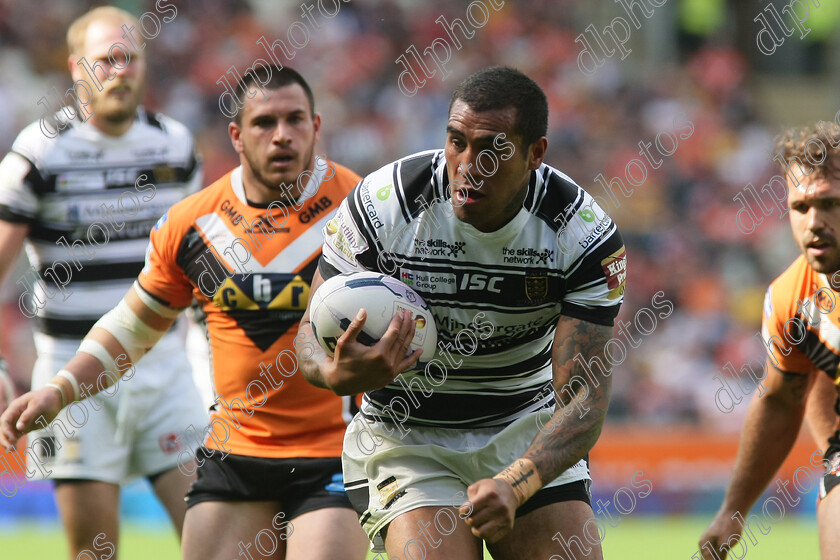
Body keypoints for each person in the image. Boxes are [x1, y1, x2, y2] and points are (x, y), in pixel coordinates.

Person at [0, 65, 370, 560]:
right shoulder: (193, 224)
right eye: (264, 123)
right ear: (236, 135)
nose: (281, 135)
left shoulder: (361, 211)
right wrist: (59, 389)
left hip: (336, 456)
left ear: (316, 126)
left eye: (295, 120)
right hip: (235, 456)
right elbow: (131, 328)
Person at [297, 66, 627, 559]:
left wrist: (517, 483)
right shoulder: (384, 206)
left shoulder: (581, 236)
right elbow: (307, 335)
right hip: (404, 438)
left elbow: (585, 401)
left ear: (536, 153)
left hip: (522, 429)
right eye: (456, 141)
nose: (468, 164)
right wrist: (330, 371)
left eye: (492, 147)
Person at [0, 7, 207, 558]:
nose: (119, 70)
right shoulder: (38, 151)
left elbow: (200, 265)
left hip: (165, 368)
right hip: (67, 376)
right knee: (94, 554)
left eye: (129, 58)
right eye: (105, 60)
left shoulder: (176, 147)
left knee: (215, 538)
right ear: (76, 69)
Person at [699, 122, 840, 559]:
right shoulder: (789, 299)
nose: (813, 222)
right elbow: (782, 401)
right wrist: (732, 512)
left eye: (830, 203)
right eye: (800, 206)